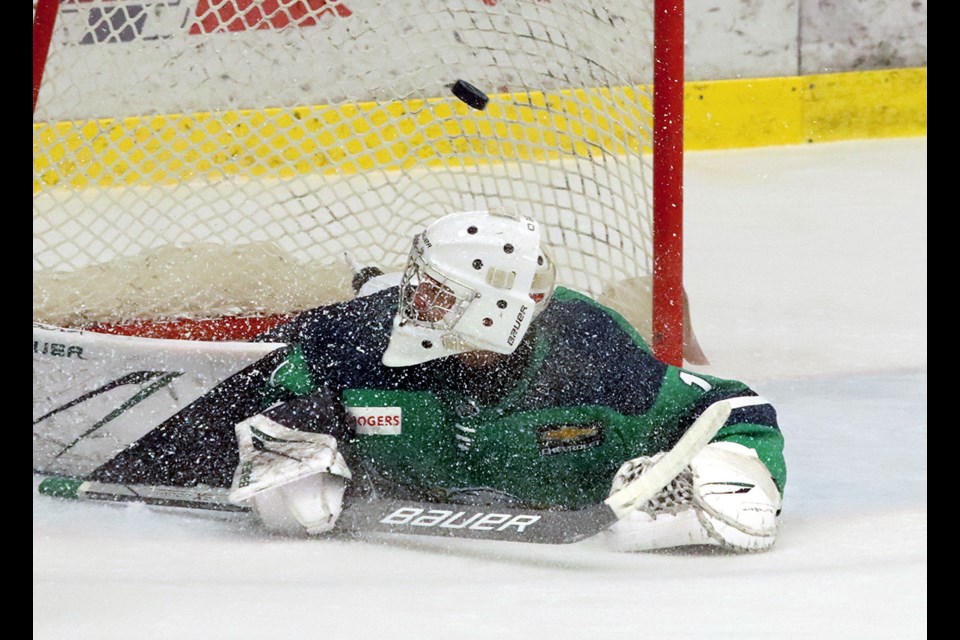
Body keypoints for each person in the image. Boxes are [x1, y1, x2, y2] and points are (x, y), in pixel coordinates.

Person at [228, 208, 786, 553]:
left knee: (645, 312)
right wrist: (290, 439)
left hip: (589, 327)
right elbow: (268, 373)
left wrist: (737, 471)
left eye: (435, 293)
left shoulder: (596, 358)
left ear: (495, 312)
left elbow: (738, 407)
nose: (412, 305)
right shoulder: (363, 334)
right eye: (417, 284)